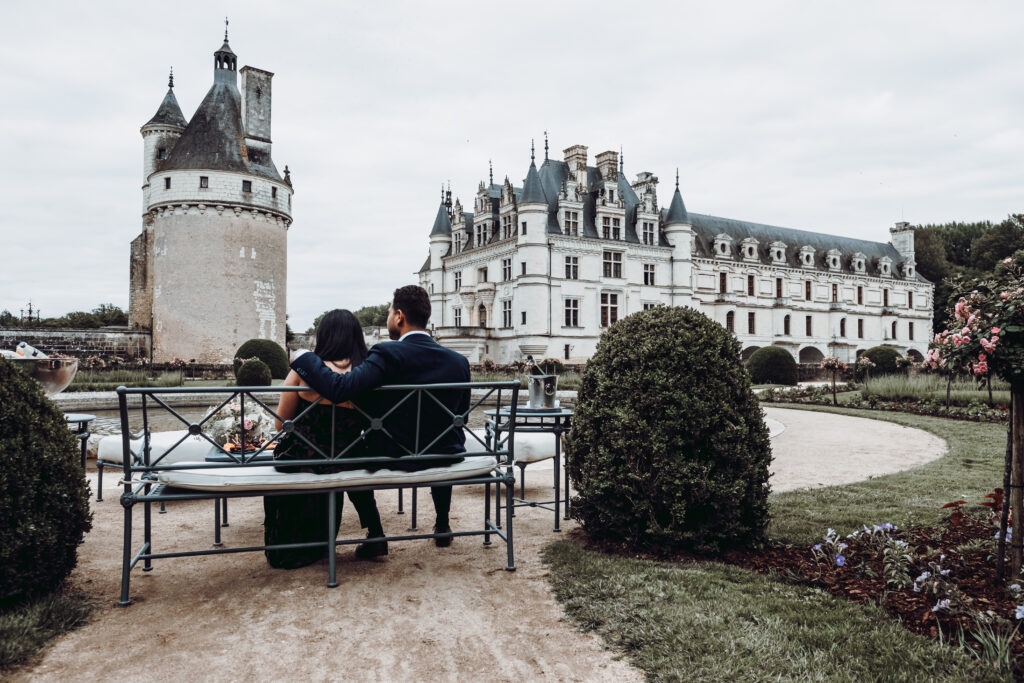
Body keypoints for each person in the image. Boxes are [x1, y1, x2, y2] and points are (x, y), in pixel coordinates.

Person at [290, 285, 470, 547]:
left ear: (399, 316)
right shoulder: (458, 361)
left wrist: (304, 356)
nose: (387, 318)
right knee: (438, 433)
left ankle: (376, 534)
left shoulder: (388, 353)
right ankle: (442, 522)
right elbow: (461, 415)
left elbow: (339, 389)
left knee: (350, 450)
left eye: (388, 313)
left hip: (392, 454)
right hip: (446, 453)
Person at [264, 309, 386, 568]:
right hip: (349, 456)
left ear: (324, 336)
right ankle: (374, 530)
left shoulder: (304, 371)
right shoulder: (365, 374)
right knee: (353, 455)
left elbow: (280, 423)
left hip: (304, 458)